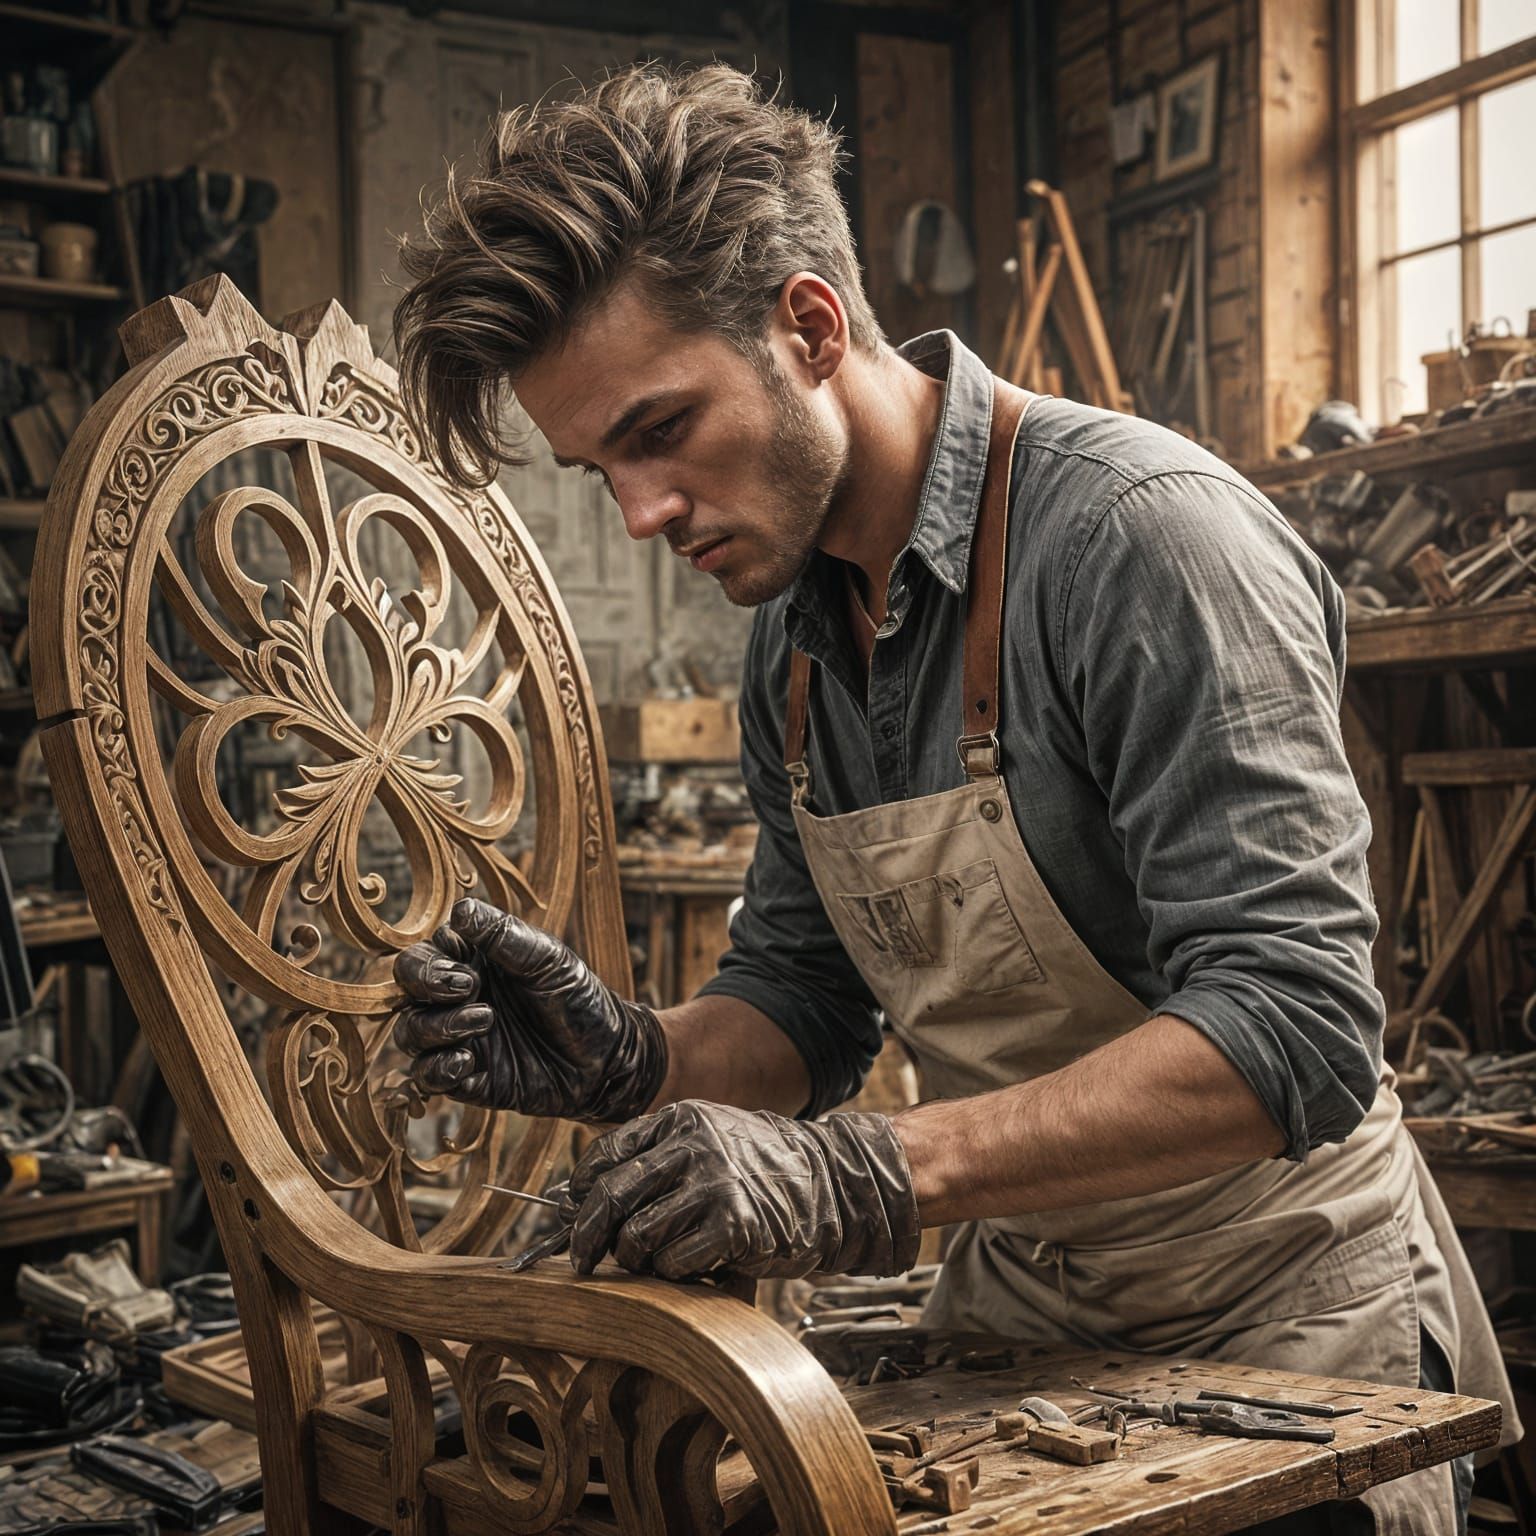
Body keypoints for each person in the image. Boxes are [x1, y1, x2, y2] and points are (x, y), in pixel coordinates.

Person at [389, 62, 1514, 1533]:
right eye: (600, 468)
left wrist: (858, 1175)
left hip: (1281, 1315)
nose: (642, 516)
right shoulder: (792, 643)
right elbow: (804, 1004)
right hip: (1030, 1309)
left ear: (808, 325)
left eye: (659, 432)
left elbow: (1295, 1027)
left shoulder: (1142, 542)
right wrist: (632, 1060)